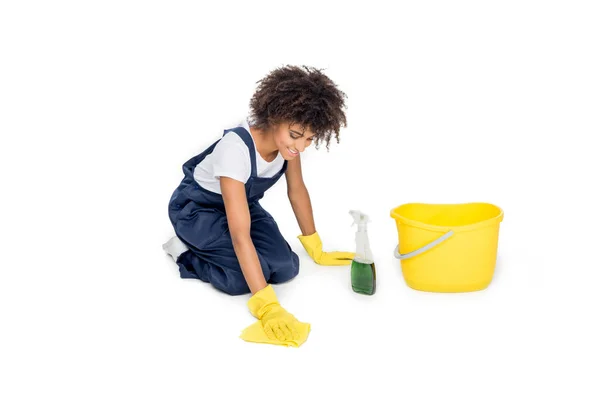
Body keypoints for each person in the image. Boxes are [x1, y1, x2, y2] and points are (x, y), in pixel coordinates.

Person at [163, 65, 354, 341]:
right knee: (244, 279)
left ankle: (225, 257)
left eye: (309, 139)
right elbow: (241, 235)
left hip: (243, 205)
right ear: (275, 116)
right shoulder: (235, 149)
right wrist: (268, 306)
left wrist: (316, 246)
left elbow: (297, 190)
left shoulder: (288, 149)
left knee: (286, 266)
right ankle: (183, 251)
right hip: (198, 211)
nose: (300, 147)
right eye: (296, 135)